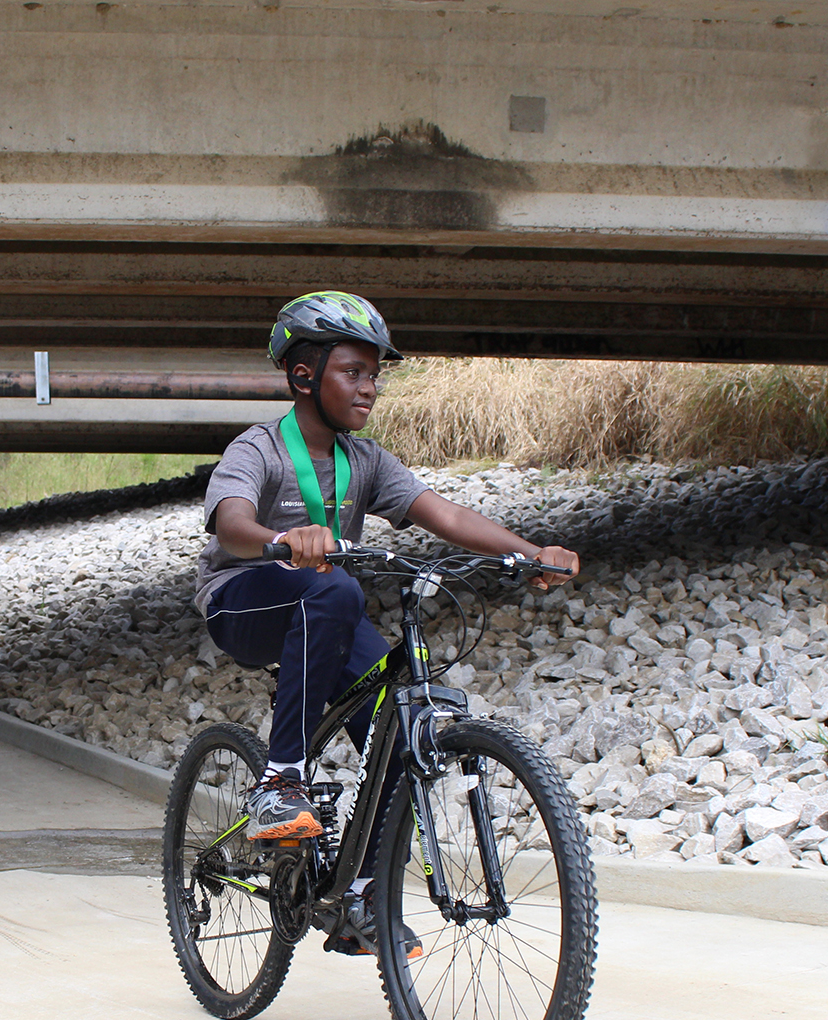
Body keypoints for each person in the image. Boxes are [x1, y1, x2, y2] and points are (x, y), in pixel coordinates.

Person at [193, 291, 581, 855]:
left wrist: (529, 553)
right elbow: (231, 524)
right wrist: (280, 541)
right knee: (333, 587)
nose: (369, 388)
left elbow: (444, 513)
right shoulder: (260, 450)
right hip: (240, 602)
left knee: (396, 733)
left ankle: (362, 898)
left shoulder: (366, 461)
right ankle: (280, 783)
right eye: (353, 372)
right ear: (304, 377)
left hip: (325, 605)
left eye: (374, 375)